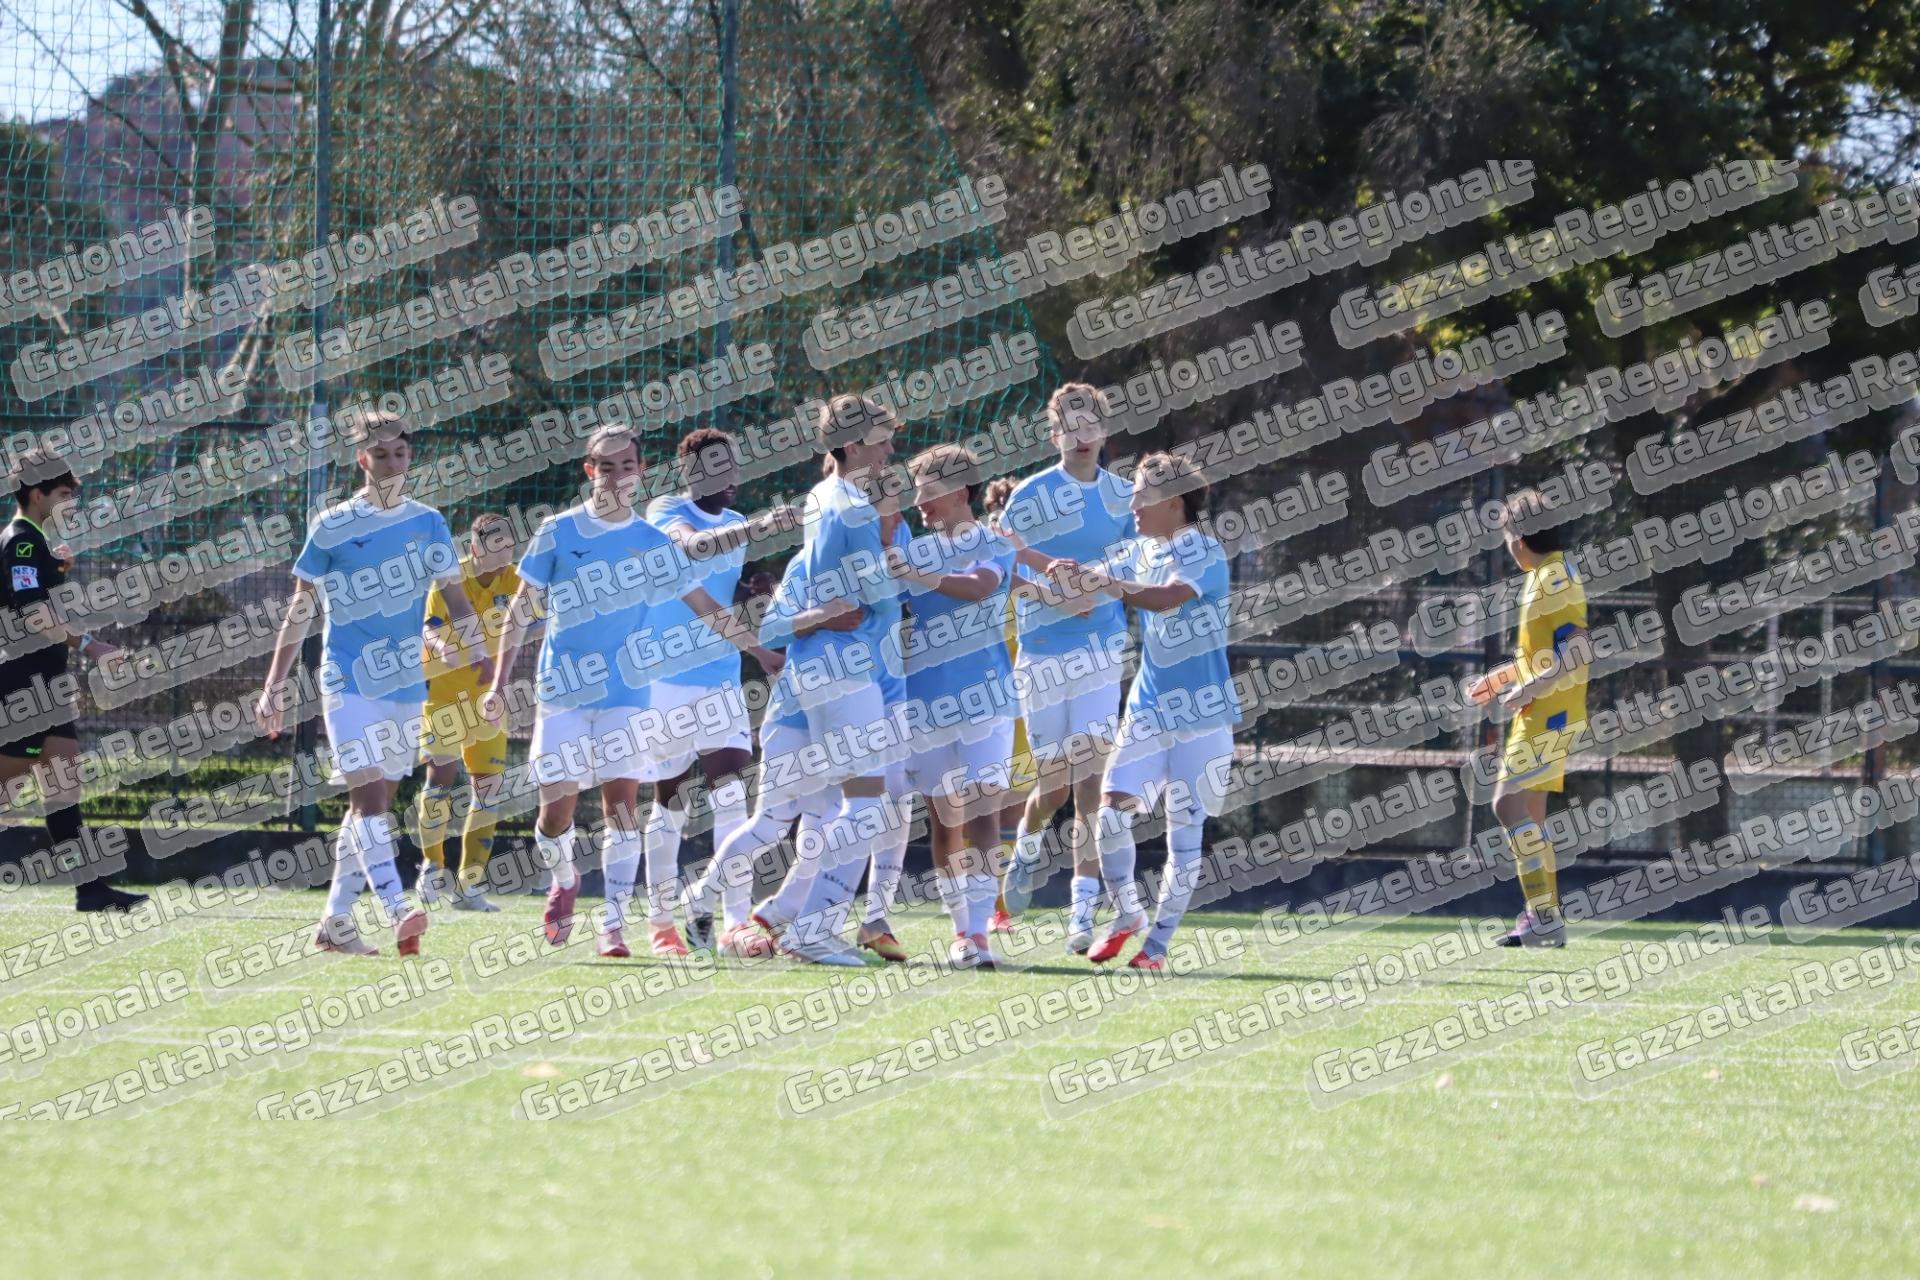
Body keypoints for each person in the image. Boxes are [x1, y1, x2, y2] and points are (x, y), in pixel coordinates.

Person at [478, 426, 781, 958]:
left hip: (630, 694)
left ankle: (613, 927)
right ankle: (565, 878)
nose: (616, 477)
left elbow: (704, 606)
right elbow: (521, 612)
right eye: (606, 467)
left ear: (640, 472)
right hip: (564, 693)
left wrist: (760, 652)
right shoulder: (557, 531)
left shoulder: (650, 541)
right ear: (589, 471)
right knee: (555, 818)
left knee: (622, 812)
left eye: (627, 467)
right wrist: (499, 685)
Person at [258, 415, 484, 955]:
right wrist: (274, 685)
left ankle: (335, 923)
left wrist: (483, 658)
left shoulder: (428, 522)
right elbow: (301, 608)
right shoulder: (333, 524)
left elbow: (456, 600)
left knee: (372, 805)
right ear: (362, 459)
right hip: (347, 679)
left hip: (406, 686)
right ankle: (397, 907)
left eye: (400, 454)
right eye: (381, 455)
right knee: (369, 800)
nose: (392, 464)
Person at [1016, 451, 1239, 970]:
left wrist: (1104, 585)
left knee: (1184, 840)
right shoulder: (1137, 549)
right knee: (1111, 812)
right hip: (1148, 710)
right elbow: (1082, 581)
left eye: (1142, 495)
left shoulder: (1204, 551)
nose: (1133, 505)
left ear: (1174, 502)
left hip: (1205, 717)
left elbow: (1165, 598)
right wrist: (1028, 558)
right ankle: (1127, 913)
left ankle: (1156, 947)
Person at [746, 395, 904, 966]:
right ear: (854, 445)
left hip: (818, 668)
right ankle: (812, 931)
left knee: (845, 805)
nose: (890, 449)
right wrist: (900, 576)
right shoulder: (855, 507)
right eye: (882, 439)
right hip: (846, 668)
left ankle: (798, 920)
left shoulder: (821, 494)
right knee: (865, 808)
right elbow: (878, 598)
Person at [640, 426, 799, 954]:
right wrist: (762, 524)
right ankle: (662, 923)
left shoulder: (736, 521)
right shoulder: (665, 511)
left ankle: (733, 923)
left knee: (732, 796)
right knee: (670, 803)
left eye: (732, 464)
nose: (729, 474)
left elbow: (727, 586)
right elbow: (693, 547)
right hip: (664, 680)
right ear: (690, 472)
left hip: (721, 678)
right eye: (716, 465)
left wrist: (760, 590)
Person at [997, 383, 1134, 953]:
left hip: (1100, 650)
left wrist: (1095, 585)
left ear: (1104, 431)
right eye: (1070, 428)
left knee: (1091, 782)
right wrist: (1052, 590)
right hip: (1042, 654)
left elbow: (1139, 565)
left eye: (1090, 426)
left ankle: (1082, 913)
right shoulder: (1030, 494)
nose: (1081, 437)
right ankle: (1026, 848)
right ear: (1054, 435)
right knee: (1052, 788)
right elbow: (1000, 561)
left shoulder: (1124, 496)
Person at [0, 447, 144, 912]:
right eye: (63, 494)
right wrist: (89, 645)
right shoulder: (22, 542)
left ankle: (91, 889)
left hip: (45, 685)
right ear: (37, 494)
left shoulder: (34, 544)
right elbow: (31, 612)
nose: (70, 504)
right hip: (22, 685)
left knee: (64, 782)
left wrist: (56, 568)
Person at [893, 444, 1018, 967]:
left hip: (988, 699)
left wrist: (912, 573)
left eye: (929, 494)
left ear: (961, 492)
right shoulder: (913, 549)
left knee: (984, 813)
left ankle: (982, 933)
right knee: (945, 821)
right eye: (916, 495)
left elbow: (980, 586)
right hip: (925, 703)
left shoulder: (996, 542)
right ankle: (962, 932)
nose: (919, 505)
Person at [1466, 488, 1589, 948]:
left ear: (1517, 540)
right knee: (1530, 816)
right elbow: (1541, 656)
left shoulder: (1553, 578)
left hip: (1550, 713)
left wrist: (1530, 688)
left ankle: (1543, 918)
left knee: (1507, 806)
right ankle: (1544, 919)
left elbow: (1577, 650)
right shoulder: (1547, 574)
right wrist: (1501, 679)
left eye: (1506, 539)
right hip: (1548, 710)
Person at [412, 512, 522, 912]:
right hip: (444, 696)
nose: (503, 554)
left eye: (508, 546)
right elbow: (430, 626)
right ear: (475, 547)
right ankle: (432, 867)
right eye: (495, 545)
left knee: (489, 789)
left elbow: (531, 620)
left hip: (489, 702)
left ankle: (470, 885)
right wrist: (444, 649)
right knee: (439, 778)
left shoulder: (516, 580)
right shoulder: (451, 577)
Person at [981, 474, 1035, 932]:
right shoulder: (979, 563)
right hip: (980, 696)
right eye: (997, 517)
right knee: (978, 803)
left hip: (1025, 698)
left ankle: (999, 907)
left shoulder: (1036, 568)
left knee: (1015, 803)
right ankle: (974, 902)